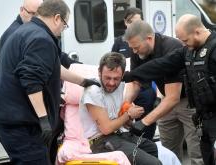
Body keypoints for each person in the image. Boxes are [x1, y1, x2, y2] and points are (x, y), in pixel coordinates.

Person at [0, 0, 99, 164]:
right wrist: (43, 119)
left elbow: (54, 67)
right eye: (65, 25)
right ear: (57, 18)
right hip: (21, 123)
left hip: (9, 118)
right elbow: (31, 79)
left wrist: (83, 81)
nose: (62, 30)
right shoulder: (41, 38)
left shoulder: (26, 31)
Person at [123, 14, 216, 165]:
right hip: (171, 103)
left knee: (198, 154)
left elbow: (173, 97)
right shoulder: (141, 50)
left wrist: (144, 122)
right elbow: (153, 70)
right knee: (168, 152)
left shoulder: (176, 47)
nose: (183, 44)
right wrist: (128, 82)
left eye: (185, 41)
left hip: (189, 104)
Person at [79, 52, 162, 165]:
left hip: (119, 134)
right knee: (153, 163)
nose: (112, 83)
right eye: (107, 78)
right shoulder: (93, 91)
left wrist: (129, 118)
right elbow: (106, 129)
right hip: (100, 141)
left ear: (123, 75)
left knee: (151, 147)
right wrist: (128, 114)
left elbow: (119, 117)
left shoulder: (121, 85)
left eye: (116, 79)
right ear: (99, 72)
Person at [112, 7, 157, 140]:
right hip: (126, 88)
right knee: (125, 121)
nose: (134, 25)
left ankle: (146, 143)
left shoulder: (147, 42)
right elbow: (113, 62)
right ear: (126, 22)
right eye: (131, 22)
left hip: (144, 89)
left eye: (138, 22)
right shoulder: (119, 42)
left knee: (145, 125)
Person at [0, 0, 78, 68]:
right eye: (33, 14)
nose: (37, 18)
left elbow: (53, 56)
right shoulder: (14, 34)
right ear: (22, 10)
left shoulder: (29, 32)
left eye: (40, 14)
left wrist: (76, 65)